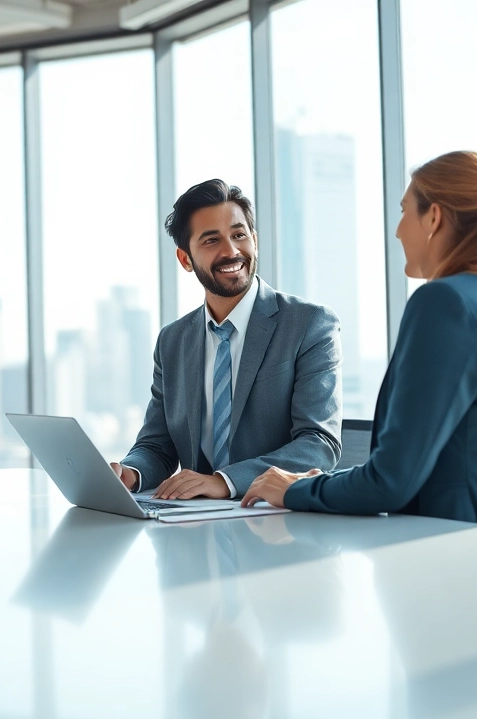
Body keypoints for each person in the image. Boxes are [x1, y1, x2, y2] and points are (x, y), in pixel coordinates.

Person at [242, 151, 477, 529]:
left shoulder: (445, 302)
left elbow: (391, 482)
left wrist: (294, 490)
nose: (397, 230)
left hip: (466, 559)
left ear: (435, 217)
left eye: (406, 210)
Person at [110, 179, 342, 501]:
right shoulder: (172, 342)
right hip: (194, 526)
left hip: (273, 523)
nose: (231, 251)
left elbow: (319, 443)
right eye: (211, 240)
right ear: (185, 259)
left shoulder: (309, 325)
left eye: (239, 235)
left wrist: (225, 481)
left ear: (255, 241)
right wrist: (130, 473)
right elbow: (156, 446)